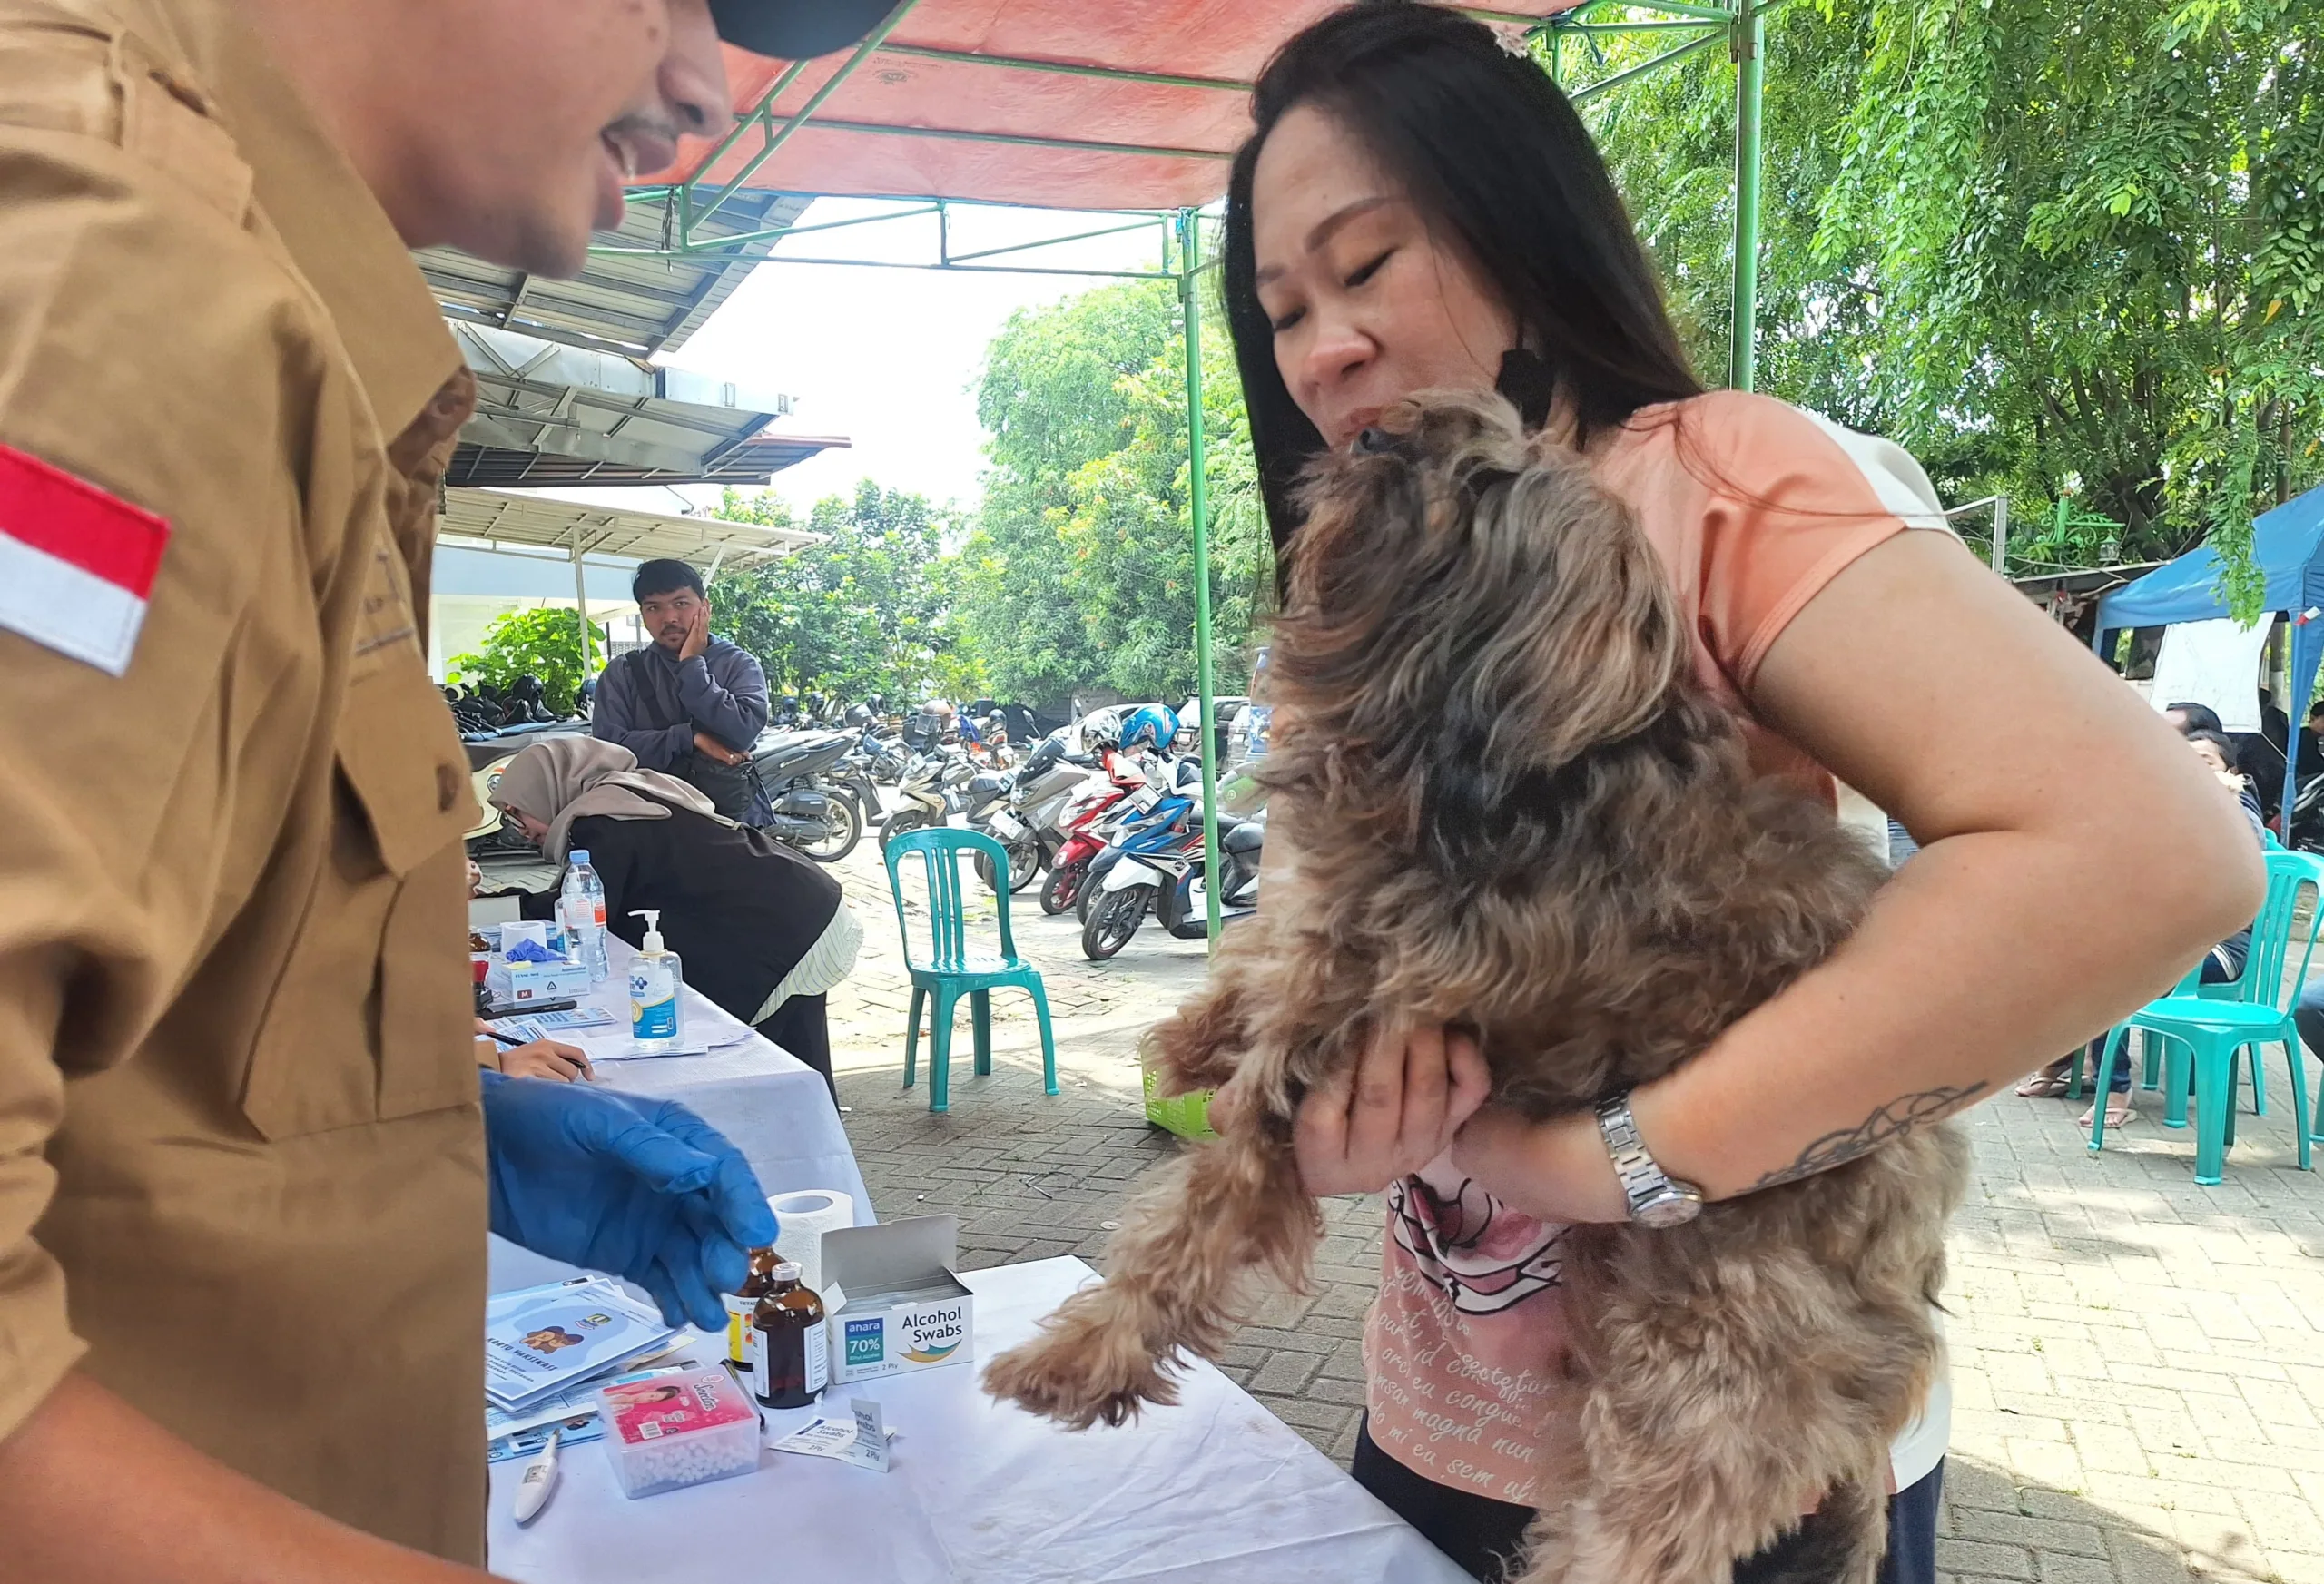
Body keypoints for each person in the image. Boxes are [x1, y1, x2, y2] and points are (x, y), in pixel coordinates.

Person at [1210, 7, 2260, 1582]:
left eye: (1366, 266)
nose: (1323, 348)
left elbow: (2153, 855)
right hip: (1439, 1428)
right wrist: (1330, 1126)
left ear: (1520, 240)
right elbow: (1322, 981)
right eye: (1283, 310)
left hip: (1735, 1461)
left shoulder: (1704, 484)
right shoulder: (1350, 601)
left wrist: (1606, 1161)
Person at [0, 1, 895, 1579]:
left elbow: (139, 1044)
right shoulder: (113, 277)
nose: (703, 85)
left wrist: (443, 1138)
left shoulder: (274, 316)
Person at [490, 737, 862, 1095]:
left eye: (518, 813)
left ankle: (799, 1129)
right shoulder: (628, 794)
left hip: (785, 924)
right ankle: (819, 1131)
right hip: (804, 906)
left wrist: (485, 905)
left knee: (762, 1065)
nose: (521, 831)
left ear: (542, 790)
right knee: (799, 1059)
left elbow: (584, 910)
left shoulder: (603, 818)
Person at [2024, 731, 2269, 1127]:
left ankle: (2113, 1086)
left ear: (2231, 771)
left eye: (2205, 762)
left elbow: (2226, 899)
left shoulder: (2239, 817)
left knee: (2114, 974)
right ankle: (2069, 1056)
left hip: (2219, 946)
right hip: (2167, 940)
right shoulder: (2174, 812)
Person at [592, 557, 771, 821]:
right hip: (651, 821)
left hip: (731, 820)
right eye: (654, 607)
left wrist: (691, 665)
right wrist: (689, 738)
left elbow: (742, 732)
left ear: (705, 607)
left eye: (681, 603)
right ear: (643, 615)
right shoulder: (623, 672)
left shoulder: (738, 664)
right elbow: (607, 752)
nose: (669, 618)